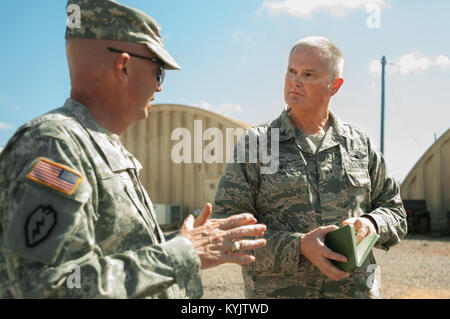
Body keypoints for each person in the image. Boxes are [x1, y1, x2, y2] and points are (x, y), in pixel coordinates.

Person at [0, 0, 267, 299]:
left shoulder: (100, 145)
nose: (159, 87)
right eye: (158, 72)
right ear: (124, 66)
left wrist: (182, 242)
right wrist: (181, 254)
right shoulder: (55, 145)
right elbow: (44, 286)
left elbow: (113, 252)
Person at [213, 36, 407, 298]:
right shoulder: (257, 144)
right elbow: (227, 229)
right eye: (291, 71)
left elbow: (395, 211)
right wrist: (299, 246)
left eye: (309, 74)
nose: (295, 81)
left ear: (334, 86)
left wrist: (372, 223)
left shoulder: (359, 143)